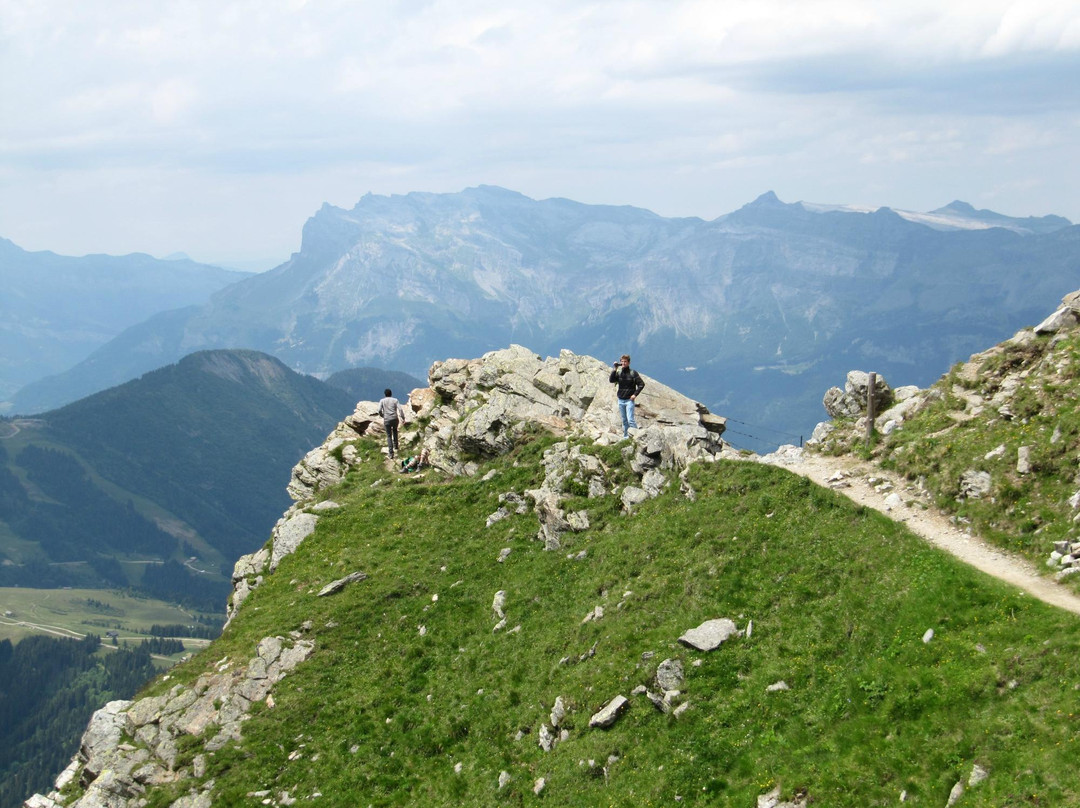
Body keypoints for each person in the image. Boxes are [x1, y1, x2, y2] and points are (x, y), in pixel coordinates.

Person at [609, 354, 645, 438]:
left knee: (630, 420)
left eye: (625, 361)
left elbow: (641, 384)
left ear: (628, 362)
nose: (623, 363)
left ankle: (636, 436)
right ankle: (626, 437)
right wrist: (615, 369)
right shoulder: (619, 372)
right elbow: (611, 380)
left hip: (629, 400)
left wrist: (634, 395)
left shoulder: (633, 373)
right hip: (621, 400)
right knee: (624, 420)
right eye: (622, 362)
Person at [378, 388, 406, 459]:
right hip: (394, 418)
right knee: (395, 430)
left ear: (385, 394)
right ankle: (396, 445)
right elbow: (400, 409)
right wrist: (403, 418)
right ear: (391, 394)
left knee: (389, 435)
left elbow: (379, 410)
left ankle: (391, 453)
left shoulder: (382, 401)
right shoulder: (395, 400)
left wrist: (382, 415)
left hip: (387, 419)